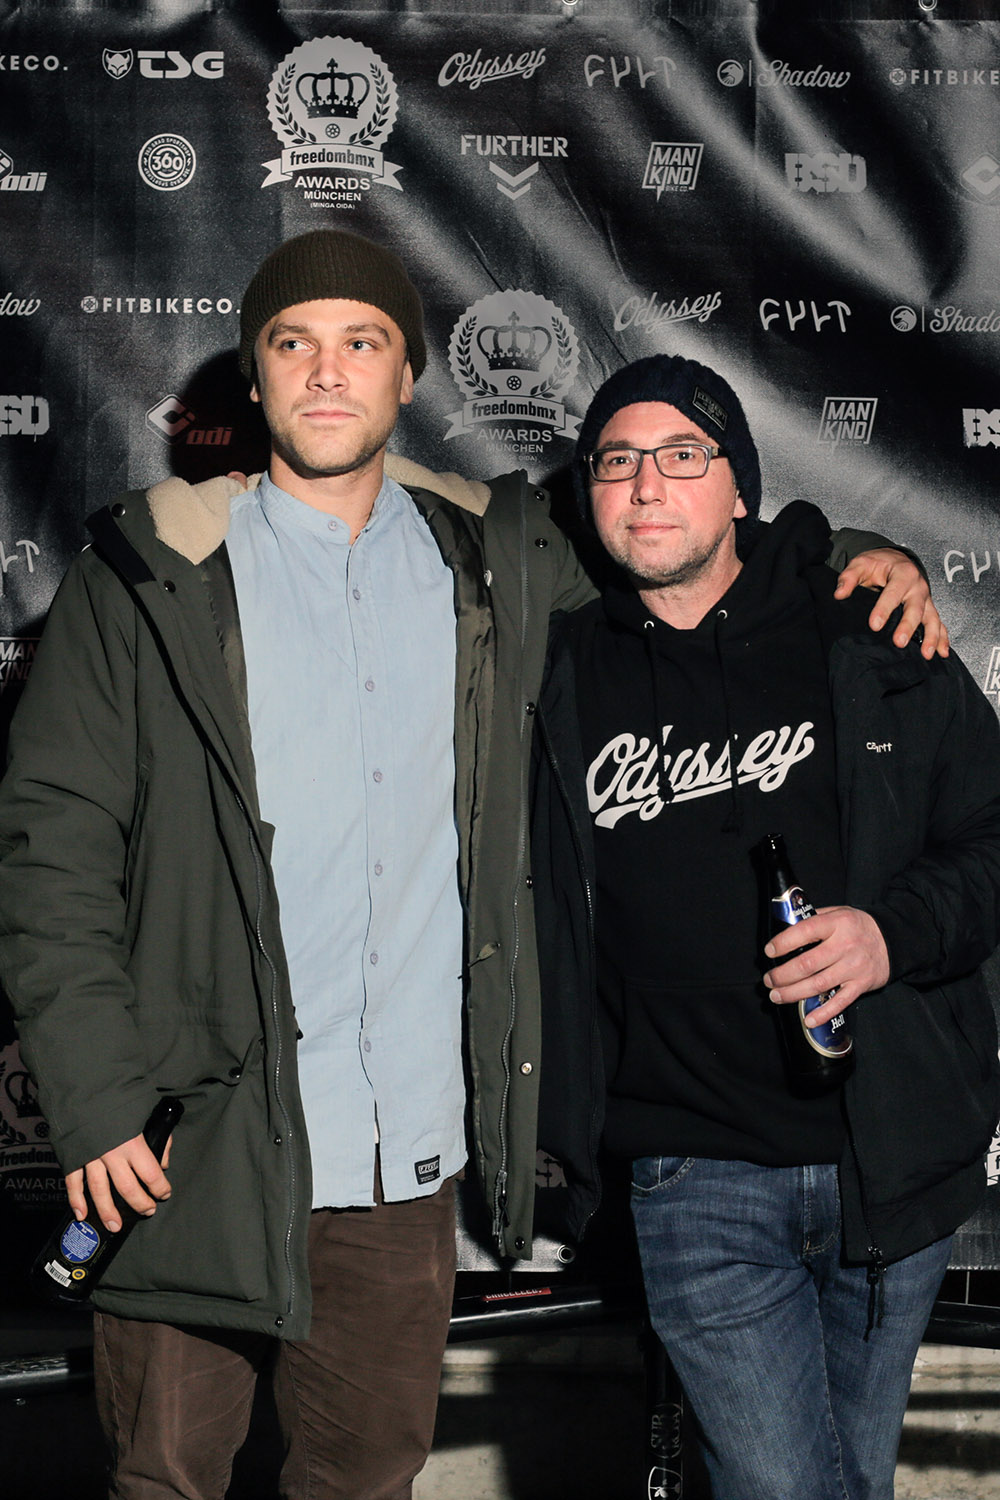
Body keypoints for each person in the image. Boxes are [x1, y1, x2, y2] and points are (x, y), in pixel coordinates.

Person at [0, 233, 947, 1500]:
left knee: (364, 1485)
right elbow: (49, 848)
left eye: (362, 345)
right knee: (165, 1481)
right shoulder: (148, 574)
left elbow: (680, 540)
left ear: (407, 381)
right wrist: (98, 1093)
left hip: (400, 1161)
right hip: (193, 1146)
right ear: (254, 380)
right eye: (294, 345)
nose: (327, 375)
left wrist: (853, 558)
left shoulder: (490, 557)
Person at [531, 353, 1000, 1500]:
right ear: (587, 494)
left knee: (852, 1481)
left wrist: (888, 935)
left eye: (682, 456)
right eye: (616, 463)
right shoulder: (556, 671)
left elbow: (992, 840)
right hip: (692, 1172)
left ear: (737, 484)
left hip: (882, 1162)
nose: (647, 487)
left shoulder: (868, 632)